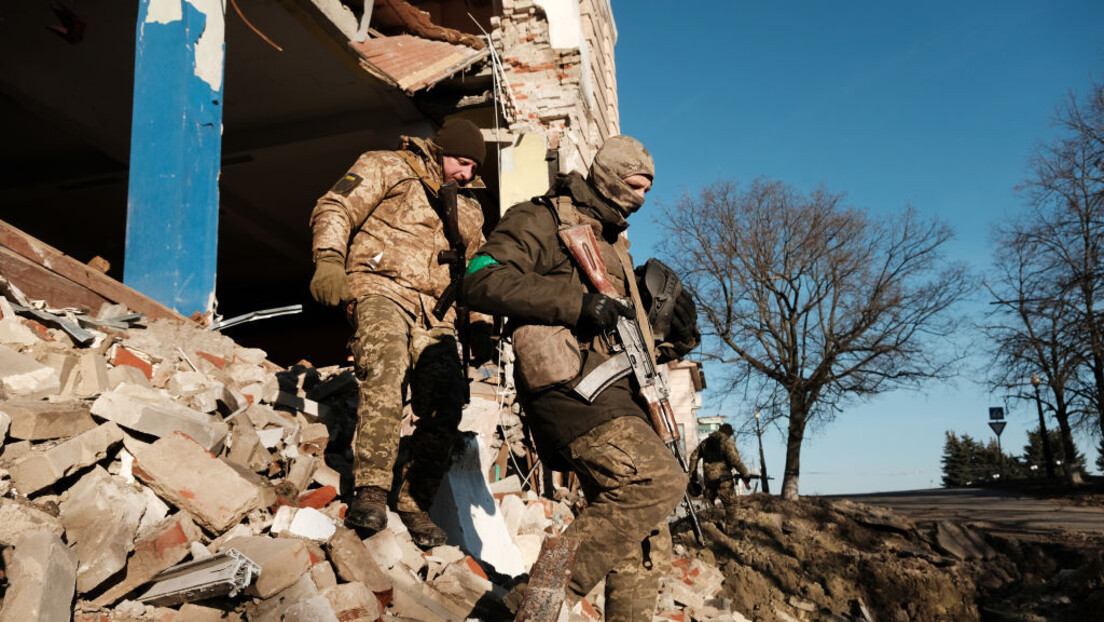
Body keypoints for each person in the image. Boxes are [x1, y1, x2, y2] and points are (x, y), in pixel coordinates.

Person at [464, 135, 700, 622]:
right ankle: (533, 603)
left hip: (620, 392)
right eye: (634, 184)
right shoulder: (541, 218)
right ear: (608, 175)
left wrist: (675, 338)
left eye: (648, 189)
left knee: (642, 542)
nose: (641, 196)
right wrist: (575, 304)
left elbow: (622, 334)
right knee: (657, 483)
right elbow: (481, 278)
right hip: (572, 389)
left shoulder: (613, 245)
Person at [308, 118, 486, 548]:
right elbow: (335, 206)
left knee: (446, 403)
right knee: (387, 370)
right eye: (462, 163)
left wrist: (479, 323)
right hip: (379, 287)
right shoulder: (385, 166)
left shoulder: (472, 211)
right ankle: (370, 490)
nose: (467, 174)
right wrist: (329, 257)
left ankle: (414, 501)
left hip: (436, 314)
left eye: (473, 167)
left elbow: (474, 275)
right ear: (440, 151)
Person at [688, 423, 751, 519]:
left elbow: (693, 457)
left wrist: (693, 476)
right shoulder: (727, 441)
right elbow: (734, 460)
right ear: (728, 433)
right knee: (732, 509)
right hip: (724, 480)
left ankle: (710, 528)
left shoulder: (705, 442)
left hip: (709, 481)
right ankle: (731, 530)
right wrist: (745, 473)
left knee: (708, 508)